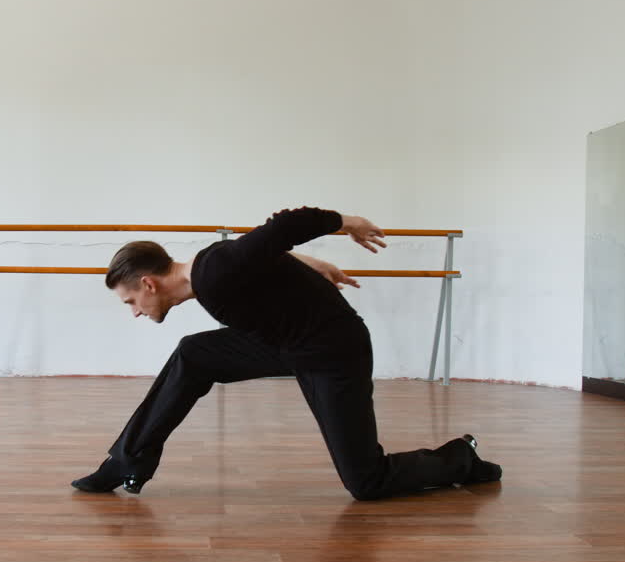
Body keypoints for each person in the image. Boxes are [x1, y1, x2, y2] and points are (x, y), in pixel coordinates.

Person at [72, 206, 501, 500]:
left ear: (148, 284)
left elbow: (285, 225)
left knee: (367, 482)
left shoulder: (214, 271)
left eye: (131, 301)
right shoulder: (211, 268)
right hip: (286, 345)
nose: (134, 311)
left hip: (333, 353)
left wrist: (348, 223)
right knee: (194, 353)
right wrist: (313, 264)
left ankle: (461, 458)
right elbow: (265, 253)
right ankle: (125, 462)